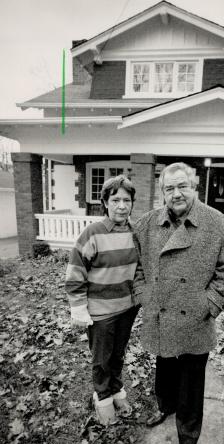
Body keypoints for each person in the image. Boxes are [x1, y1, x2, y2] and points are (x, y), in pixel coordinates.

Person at [133, 162, 224, 444]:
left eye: (182, 186)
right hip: (161, 315)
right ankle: (165, 406)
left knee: (191, 383)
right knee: (164, 367)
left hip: (195, 319)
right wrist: (143, 295)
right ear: (162, 191)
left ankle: (188, 438)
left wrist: (209, 305)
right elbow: (136, 266)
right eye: (169, 188)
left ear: (194, 187)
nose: (176, 193)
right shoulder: (147, 224)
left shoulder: (217, 223)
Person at [65, 175, 138, 426]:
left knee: (118, 355)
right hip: (101, 311)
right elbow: (76, 271)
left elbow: (140, 270)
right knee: (102, 359)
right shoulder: (93, 233)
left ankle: (117, 391)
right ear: (105, 202)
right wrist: (78, 307)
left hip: (127, 308)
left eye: (126, 200)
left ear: (132, 203)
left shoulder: (135, 233)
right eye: (115, 199)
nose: (121, 205)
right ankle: (103, 397)